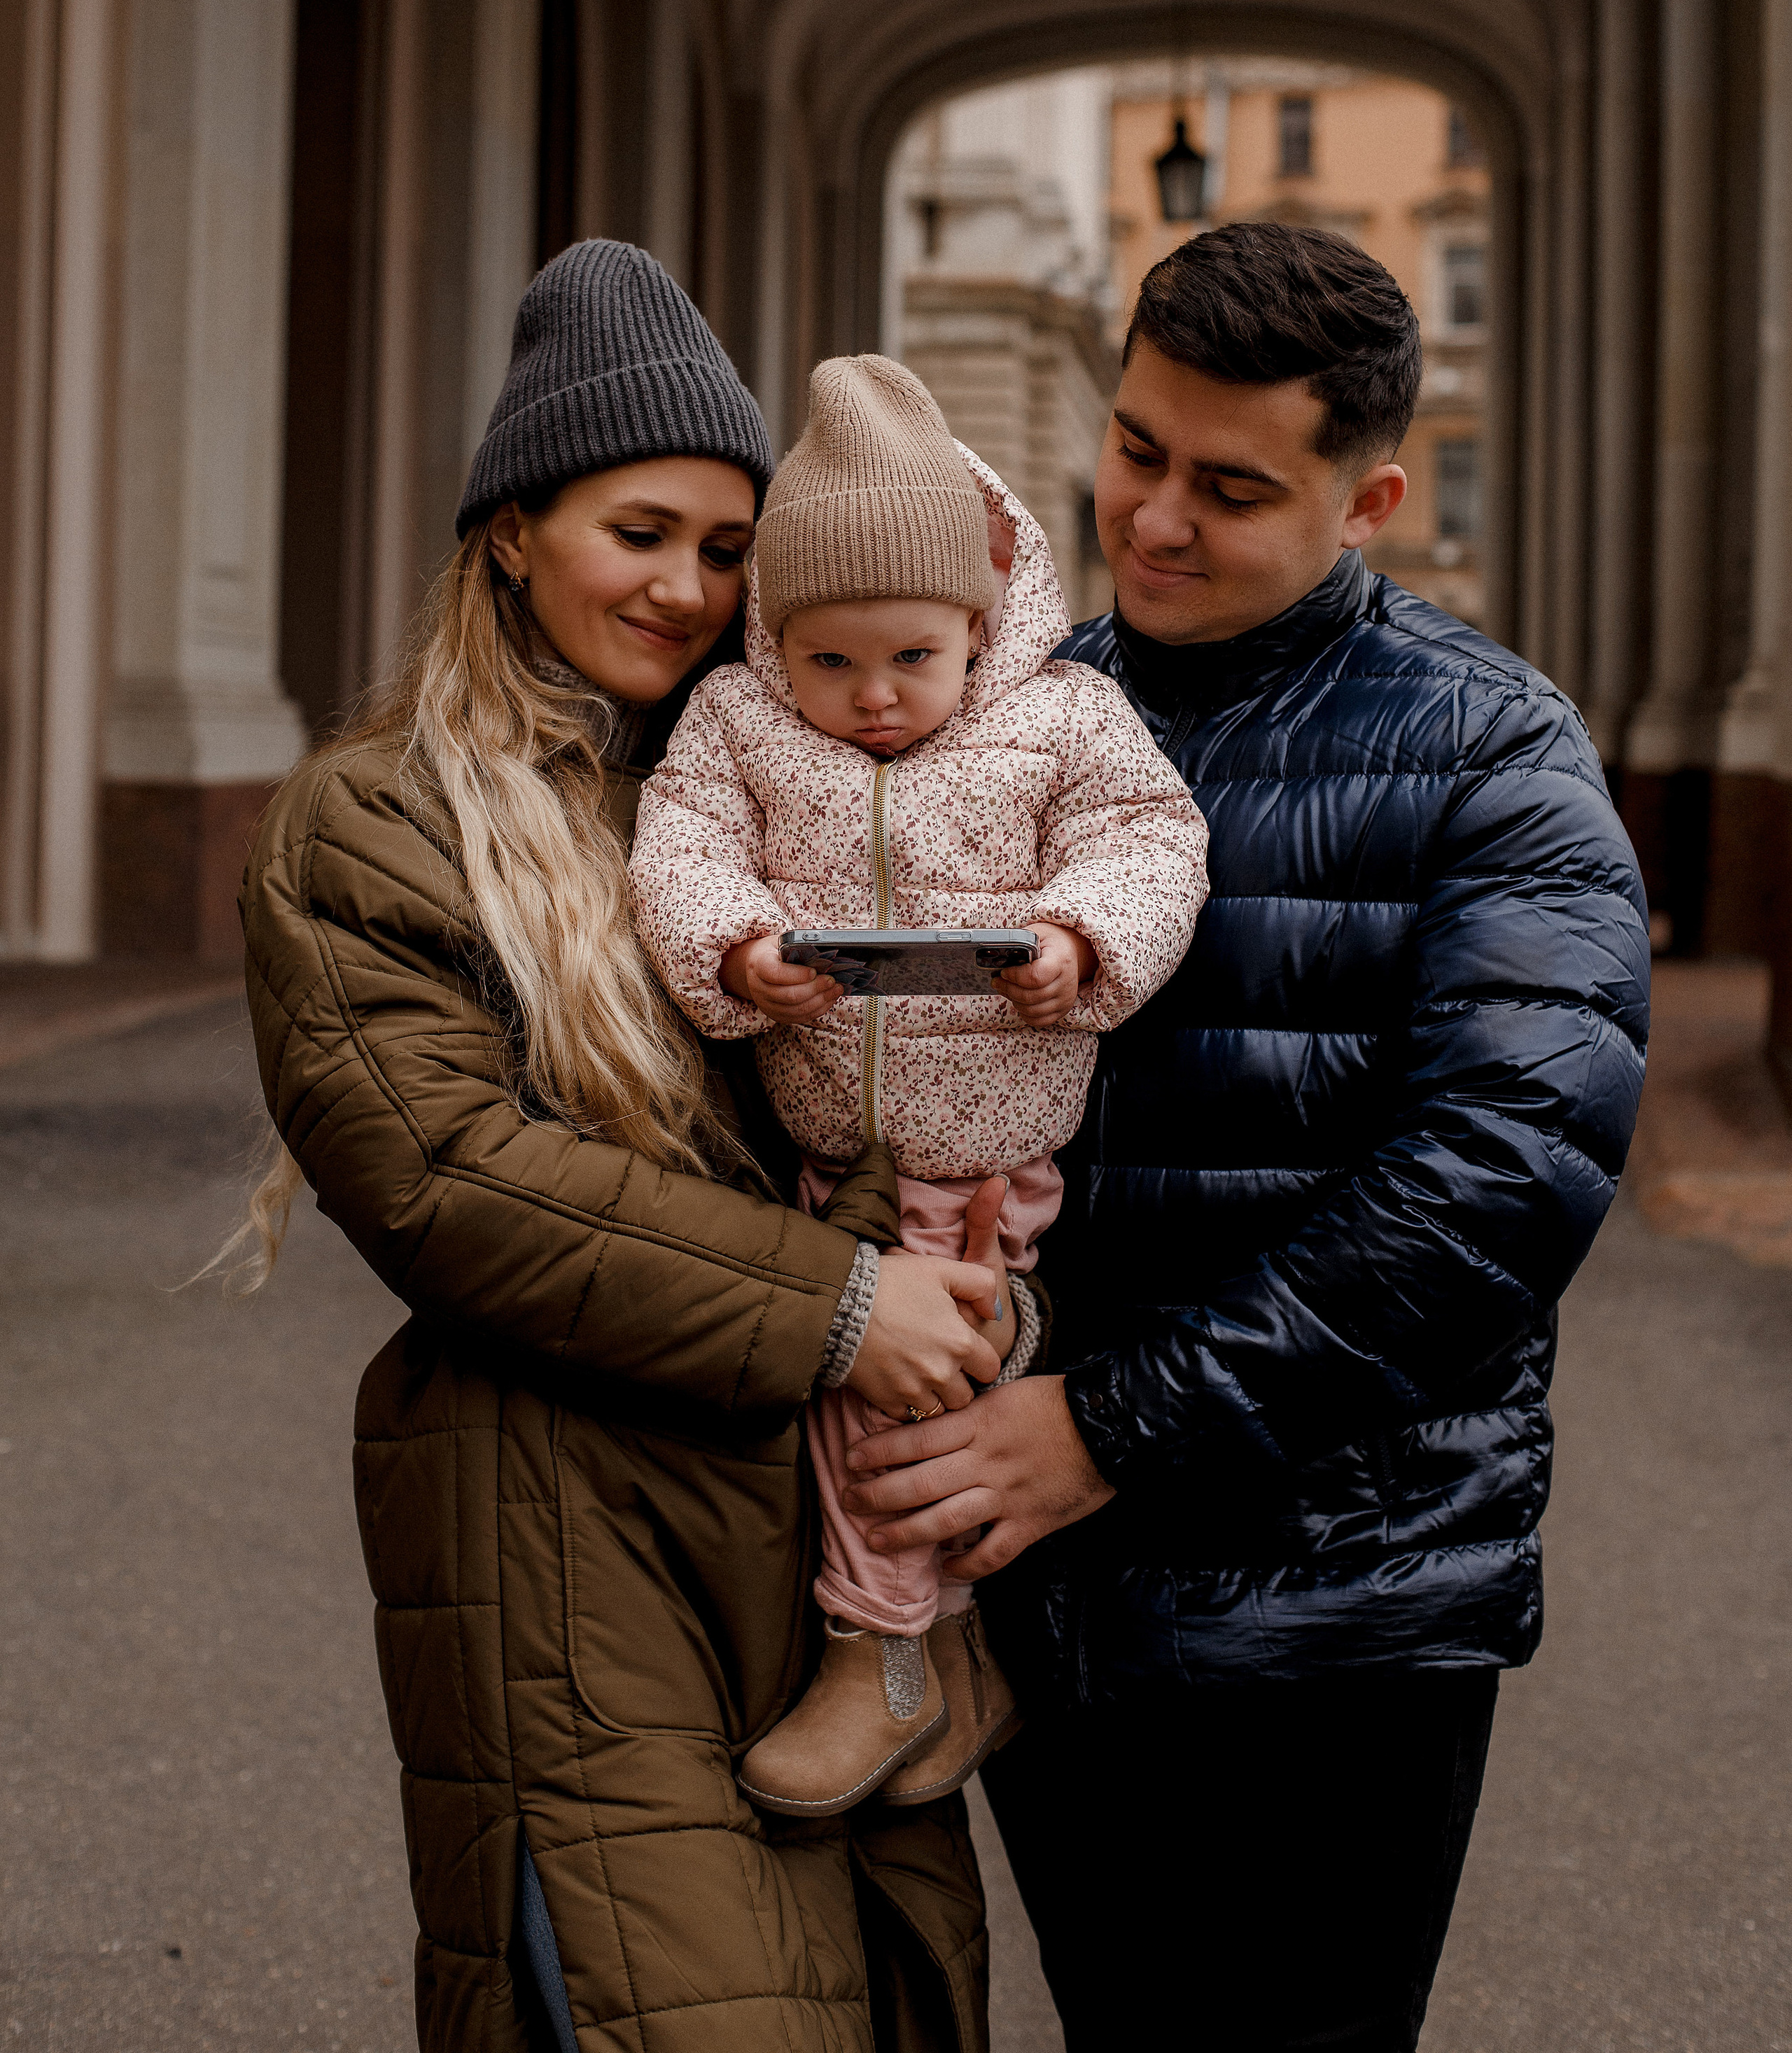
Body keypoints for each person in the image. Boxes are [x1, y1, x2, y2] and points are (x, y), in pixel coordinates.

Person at [841, 221, 1651, 2052]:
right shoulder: (1001, 719)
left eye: (1232, 486)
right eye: (1137, 451)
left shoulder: (1491, 753)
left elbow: (1500, 1188)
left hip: (1344, 1612)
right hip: (1044, 1597)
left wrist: (1110, 1432)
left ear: (1366, 498)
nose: (1158, 518)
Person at [233, 244, 1008, 2053]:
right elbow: (449, 1182)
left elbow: (891, 1102)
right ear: (511, 528)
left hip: (809, 1545)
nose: (683, 588)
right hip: (566, 1548)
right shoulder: (373, 825)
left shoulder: (758, 802)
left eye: (726, 552)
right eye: (637, 531)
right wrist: (840, 1306)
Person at [629, 354, 1207, 1820]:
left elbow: (1152, 840)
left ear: (979, 623)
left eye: (912, 659)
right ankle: (947, 1660)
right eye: (828, 662)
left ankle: (874, 1654)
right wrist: (736, 951)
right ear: (775, 635)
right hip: (826, 1151)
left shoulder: (1061, 718)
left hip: (991, 1157)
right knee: (868, 1393)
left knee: (887, 1407)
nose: (872, 700)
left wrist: (1079, 941)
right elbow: (680, 847)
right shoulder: (737, 728)